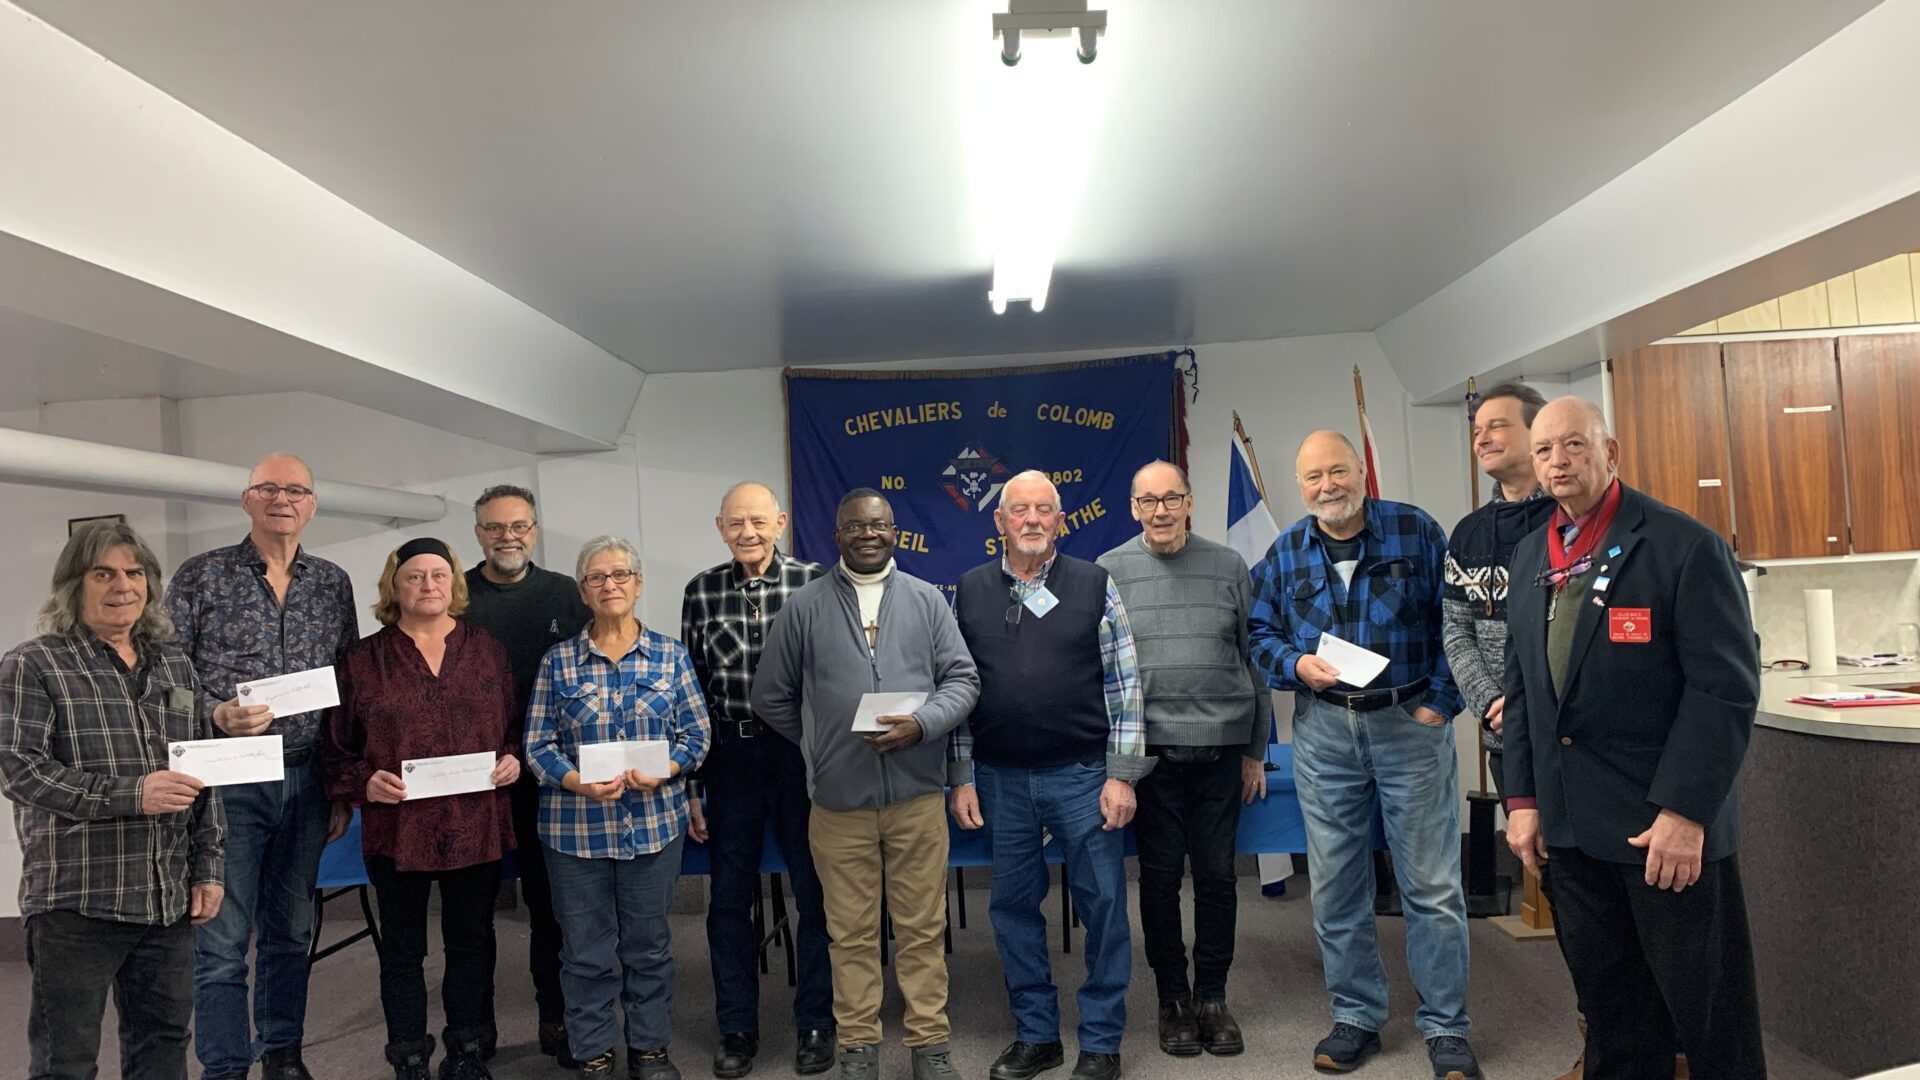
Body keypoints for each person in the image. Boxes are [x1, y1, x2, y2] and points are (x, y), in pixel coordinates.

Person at [1503, 397, 1764, 1079]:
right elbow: (1526, 690)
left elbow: (1724, 690)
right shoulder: (1533, 554)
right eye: (1544, 451)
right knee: (1614, 1015)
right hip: (1571, 834)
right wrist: (1523, 799)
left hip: (1663, 832)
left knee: (1711, 1021)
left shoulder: (1683, 546)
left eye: (1574, 446)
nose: (1558, 462)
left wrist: (1684, 812)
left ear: (1610, 452)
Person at [1246, 432, 1476, 1080]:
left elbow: (1455, 623)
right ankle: (1355, 1016)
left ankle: (1447, 1028)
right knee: (1337, 884)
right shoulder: (1287, 549)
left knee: (1430, 885)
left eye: (1338, 471)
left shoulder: (1415, 531)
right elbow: (1257, 631)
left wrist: (1440, 701)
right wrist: (1292, 664)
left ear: (1361, 471)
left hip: (1410, 726)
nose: (1327, 486)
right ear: (1302, 484)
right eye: (1314, 476)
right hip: (1325, 734)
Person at [752, 489, 980, 1080]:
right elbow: (769, 696)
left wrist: (923, 724)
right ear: (837, 534)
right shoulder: (803, 607)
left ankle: (929, 1043)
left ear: (895, 531)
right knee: (849, 932)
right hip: (838, 804)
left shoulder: (928, 601)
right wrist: (818, 740)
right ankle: (857, 1044)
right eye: (855, 526)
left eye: (878, 525)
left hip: (917, 798)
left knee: (921, 929)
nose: (868, 534)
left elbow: (963, 680)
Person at [0, 521, 226, 1080]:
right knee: (66, 1057)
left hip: (165, 895)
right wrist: (131, 794)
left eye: (134, 572)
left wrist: (210, 867)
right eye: (103, 573)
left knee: (163, 1044)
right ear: (74, 584)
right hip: (78, 900)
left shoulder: (176, 666)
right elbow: (19, 769)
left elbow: (202, 773)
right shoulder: (33, 664)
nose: (122, 585)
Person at [165, 452, 359, 1080]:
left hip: (305, 778)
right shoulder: (203, 576)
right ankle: (226, 1068)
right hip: (227, 776)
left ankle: (283, 1054)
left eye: (296, 489)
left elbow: (344, 686)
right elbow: (162, 677)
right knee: (222, 938)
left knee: (290, 928)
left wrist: (339, 786)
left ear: (312, 504)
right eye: (269, 488)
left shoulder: (332, 582)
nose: (283, 499)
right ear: (247, 499)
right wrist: (216, 713)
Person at [948, 469, 1147, 1080]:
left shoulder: (1094, 583)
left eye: (1044, 510)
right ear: (999, 521)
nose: (1032, 520)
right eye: (1019, 510)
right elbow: (956, 686)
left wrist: (1123, 775)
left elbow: (1126, 684)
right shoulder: (970, 589)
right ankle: (1037, 1035)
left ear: (1059, 520)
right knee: (1011, 909)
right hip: (1001, 779)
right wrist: (960, 772)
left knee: (1104, 905)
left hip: (1083, 775)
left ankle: (1101, 1041)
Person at [321, 539, 519, 1080]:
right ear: (394, 585)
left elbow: (515, 730)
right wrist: (365, 782)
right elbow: (336, 747)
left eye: (438, 575)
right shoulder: (363, 660)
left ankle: (468, 1048)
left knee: (472, 941)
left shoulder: (486, 649)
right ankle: (408, 1052)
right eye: (414, 576)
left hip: (475, 823)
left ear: (453, 583)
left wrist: (513, 763)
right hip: (397, 828)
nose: (427, 585)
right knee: (403, 950)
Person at [1097, 461, 1270, 1059]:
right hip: (1151, 758)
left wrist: (1255, 752)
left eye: (1171, 498)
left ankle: (1213, 998)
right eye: (1148, 501)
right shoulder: (1110, 572)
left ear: (1189, 503)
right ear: (1133, 508)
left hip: (1223, 752)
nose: (1161, 510)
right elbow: (1101, 673)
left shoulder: (1228, 565)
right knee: (1162, 881)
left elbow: (1257, 661)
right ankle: (1173, 1000)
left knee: (1220, 880)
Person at [526, 536, 712, 1080]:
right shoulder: (558, 662)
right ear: (583, 591)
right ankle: (593, 1052)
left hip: (654, 827)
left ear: (638, 584)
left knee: (649, 947)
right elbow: (537, 745)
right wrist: (578, 783)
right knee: (584, 952)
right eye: (598, 578)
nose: (611, 585)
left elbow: (697, 734)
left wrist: (671, 769)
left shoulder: (671, 655)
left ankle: (650, 1049)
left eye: (621, 575)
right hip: (574, 832)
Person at [680, 482, 835, 1078]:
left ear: (781, 521)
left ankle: (816, 1022)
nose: (748, 532)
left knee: (815, 894)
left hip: (801, 758)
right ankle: (737, 1026)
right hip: (731, 757)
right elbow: (692, 692)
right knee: (727, 900)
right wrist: (695, 786)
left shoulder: (817, 583)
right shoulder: (701, 590)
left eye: (758, 521)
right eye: (736, 522)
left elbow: (833, 676)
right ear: (720, 527)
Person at [460, 484, 593, 1066]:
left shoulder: (567, 593)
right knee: (472, 911)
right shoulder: (455, 593)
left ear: (534, 531)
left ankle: (556, 1020)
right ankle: (475, 1031)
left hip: (548, 777)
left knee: (549, 906)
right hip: (475, 778)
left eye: (518, 526)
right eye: (494, 527)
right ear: (478, 532)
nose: (507, 536)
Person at [1441, 383, 1553, 796]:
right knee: (1533, 856)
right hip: (1506, 739)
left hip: (1573, 737)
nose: (1482, 438)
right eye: (1477, 430)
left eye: (1498, 426)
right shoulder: (1468, 534)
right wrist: (1489, 703)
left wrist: (1534, 704)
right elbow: (1456, 630)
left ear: (1537, 433)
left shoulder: (1574, 519)